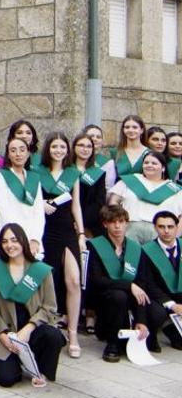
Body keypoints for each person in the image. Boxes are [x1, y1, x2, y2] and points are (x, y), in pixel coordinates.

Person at [0, 223, 65, 387]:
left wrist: (28, 329)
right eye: (5, 241)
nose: (9, 245)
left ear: (23, 241)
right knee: (6, 378)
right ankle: (17, 363)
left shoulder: (41, 270)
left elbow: (50, 308)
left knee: (54, 336)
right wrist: (3, 336)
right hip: (8, 333)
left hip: (34, 330)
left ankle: (40, 369)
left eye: (14, 240)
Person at [86, 205, 165, 361]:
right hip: (106, 297)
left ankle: (147, 336)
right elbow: (97, 280)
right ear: (105, 224)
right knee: (119, 296)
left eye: (121, 222)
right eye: (113, 222)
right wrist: (129, 285)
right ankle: (113, 343)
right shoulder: (94, 245)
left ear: (126, 223)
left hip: (132, 295)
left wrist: (141, 320)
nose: (117, 226)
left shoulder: (136, 248)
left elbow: (141, 283)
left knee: (158, 312)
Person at [36, 132, 85, 358]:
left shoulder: (72, 173)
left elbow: (76, 206)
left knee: (73, 280)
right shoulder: (38, 172)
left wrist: (81, 233)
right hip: (45, 230)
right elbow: (30, 199)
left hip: (66, 230)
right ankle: (52, 325)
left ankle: (73, 332)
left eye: (62, 147)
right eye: (54, 146)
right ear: (48, 149)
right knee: (50, 282)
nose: (58, 150)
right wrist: (41, 205)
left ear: (68, 150)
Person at [107, 150, 182, 243]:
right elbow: (113, 201)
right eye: (146, 163)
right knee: (130, 257)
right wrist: (119, 222)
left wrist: (174, 237)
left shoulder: (175, 189)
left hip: (161, 231)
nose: (149, 165)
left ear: (163, 168)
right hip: (130, 228)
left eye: (154, 163)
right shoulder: (130, 180)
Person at [0, 138, 46, 254]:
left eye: (22, 150)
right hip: (9, 239)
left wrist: (35, 239)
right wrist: (19, 240)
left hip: (32, 241)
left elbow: (39, 212)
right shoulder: (0, 175)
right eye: (13, 150)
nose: (18, 154)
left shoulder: (34, 177)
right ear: (8, 155)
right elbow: (3, 210)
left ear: (28, 153)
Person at [141, 211, 182, 350]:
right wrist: (172, 305)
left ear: (177, 227)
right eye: (161, 227)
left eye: (170, 227)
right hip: (158, 297)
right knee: (157, 313)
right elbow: (149, 285)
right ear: (155, 228)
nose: (166, 231)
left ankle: (172, 331)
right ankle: (151, 335)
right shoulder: (146, 251)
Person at [74, 132, 107, 238]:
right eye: (81, 145)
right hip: (66, 221)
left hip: (90, 224)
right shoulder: (66, 170)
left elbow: (99, 202)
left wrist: (81, 222)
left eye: (89, 146)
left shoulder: (98, 173)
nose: (85, 149)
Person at [85, 124, 118, 188]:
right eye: (91, 136)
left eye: (98, 137)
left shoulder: (108, 163)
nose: (95, 139)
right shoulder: (74, 159)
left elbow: (108, 187)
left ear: (102, 141)